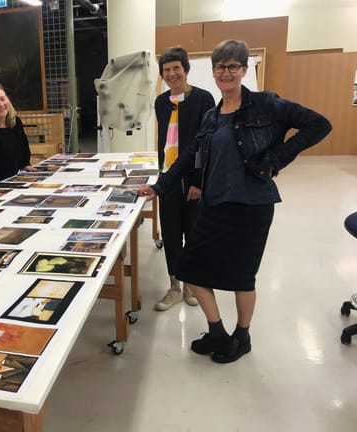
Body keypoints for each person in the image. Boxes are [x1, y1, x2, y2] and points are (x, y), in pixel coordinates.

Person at [138, 39, 331, 363]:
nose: (225, 73)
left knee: (242, 277)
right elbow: (189, 155)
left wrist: (276, 159)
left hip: (252, 205)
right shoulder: (212, 116)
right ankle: (217, 333)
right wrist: (160, 186)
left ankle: (242, 337)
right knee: (190, 269)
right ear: (213, 71)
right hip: (215, 203)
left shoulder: (265, 104)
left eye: (232, 66)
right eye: (220, 67)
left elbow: (319, 125)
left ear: (243, 69)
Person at [153, 46, 215, 312]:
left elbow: (205, 145)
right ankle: (175, 286)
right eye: (166, 70)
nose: (171, 74)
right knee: (170, 233)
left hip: (192, 179)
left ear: (186, 69)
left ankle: (191, 284)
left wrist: (198, 180)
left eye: (176, 68)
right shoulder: (160, 102)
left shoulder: (203, 99)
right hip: (168, 178)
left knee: (193, 232)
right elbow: (166, 140)